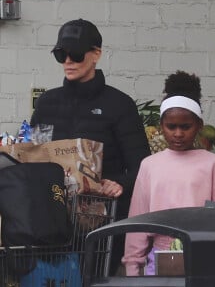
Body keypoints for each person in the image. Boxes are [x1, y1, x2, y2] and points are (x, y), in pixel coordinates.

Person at [30, 18, 151, 275]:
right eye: (60, 54)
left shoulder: (119, 104)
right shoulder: (47, 103)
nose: (68, 61)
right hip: (52, 217)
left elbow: (142, 165)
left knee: (92, 276)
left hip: (102, 222)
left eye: (75, 54)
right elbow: (34, 154)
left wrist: (118, 183)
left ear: (96, 54)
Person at [121, 70, 215, 276]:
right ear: (161, 126)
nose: (178, 133)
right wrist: (132, 265)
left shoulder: (213, 164)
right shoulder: (149, 165)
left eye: (186, 126)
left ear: (199, 125)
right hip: (159, 257)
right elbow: (138, 218)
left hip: (204, 255)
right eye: (171, 126)